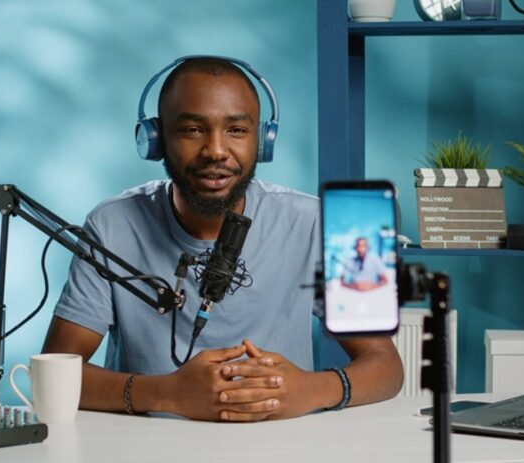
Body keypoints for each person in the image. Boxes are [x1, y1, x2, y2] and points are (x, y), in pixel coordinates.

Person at [42, 56, 403, 422]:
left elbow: (386, 366)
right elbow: (56, 375)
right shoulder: (111, 226)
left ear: (262, 141)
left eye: (236, 130)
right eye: (192, 130)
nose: (215, 150)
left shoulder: (313, 223)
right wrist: (169, 394)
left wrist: (308, 390)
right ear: (156, 140)